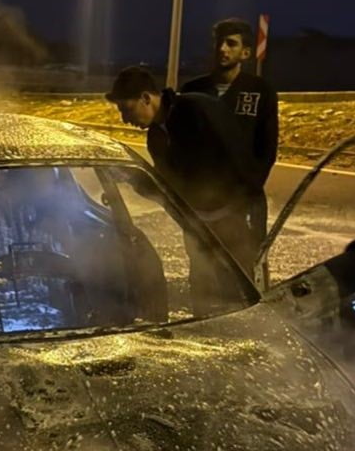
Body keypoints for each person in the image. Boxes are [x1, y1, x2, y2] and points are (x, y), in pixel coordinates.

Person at [106, 65, 259, 302]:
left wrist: (244, 212)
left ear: (146, 98)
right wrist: (131, 177)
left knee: (238, 290)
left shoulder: (197, 110)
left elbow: (238, 159)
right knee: (203, 289)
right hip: (197, 225)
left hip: (229, 219)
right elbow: (166, 189)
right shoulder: (156, 136)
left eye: (127, 109)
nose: (125, 120)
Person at [181, 18, 279, 254]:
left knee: (246, 268)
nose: (222, 49)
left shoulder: (260, 91)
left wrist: (249, 190)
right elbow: (182, 146)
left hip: (244, 201)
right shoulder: (192, 91)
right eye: (218, 43)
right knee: (202, 266)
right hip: (202, 203)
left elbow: (267, 148)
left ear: (245, 53)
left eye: (231, 44)